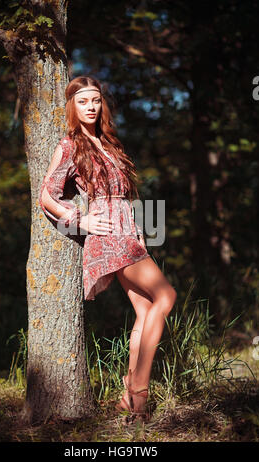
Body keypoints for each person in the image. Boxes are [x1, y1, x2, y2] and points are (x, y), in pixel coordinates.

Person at [39, 75, 177, 425]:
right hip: (106, 233)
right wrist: (80, 221)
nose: (91, 107)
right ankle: (139, 395)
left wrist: (140, 232)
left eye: (96, 100)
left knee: (147, 310)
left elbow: (126, 197)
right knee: (167, 297)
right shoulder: (69, 145)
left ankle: (126, 399)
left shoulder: (109, 143)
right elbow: (46, 195)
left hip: (128, 231)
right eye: (83, 101)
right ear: (72, 105)